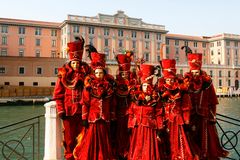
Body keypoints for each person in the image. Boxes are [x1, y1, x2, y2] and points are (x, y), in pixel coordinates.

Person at [184, 53, 229, 159]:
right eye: (193, 72)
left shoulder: (207, 83)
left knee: (204, 141)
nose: (195, 75)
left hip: (204, 117)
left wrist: (213, 116)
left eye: (197, 72)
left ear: (200, 71)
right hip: (189, 117)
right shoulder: (185, 83)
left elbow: (213, 101)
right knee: (190, 141)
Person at [53, 37, 90, 160]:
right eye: (74, 63)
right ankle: (69, 157)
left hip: (83, 112)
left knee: (83, 137)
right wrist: (61, 110)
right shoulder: (63, 76)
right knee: (69, 138)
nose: (76, 65)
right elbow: (58, 95)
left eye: (78, 63)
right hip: (68, 112)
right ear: (70, 63)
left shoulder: (86, 75)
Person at [73, 51, 116, 160]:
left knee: (104, 141)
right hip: (92, 119)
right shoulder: (89, 87)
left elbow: (112, 104)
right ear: (94, 73)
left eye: (101, 73)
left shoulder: (109, 88)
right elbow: (85, 104)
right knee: (90, 141)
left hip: (105, 119)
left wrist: (112, 117)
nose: (98, 75)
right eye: (96, 73)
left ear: (104, 74)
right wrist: (84, 118)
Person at [157, 59, 194, 160]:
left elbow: (186, 107)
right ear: (165, 80)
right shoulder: (160, 91)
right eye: (168, 80)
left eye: (172, 80)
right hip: (165, 120)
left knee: (178, 143)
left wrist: (186, 121)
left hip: (177, 121)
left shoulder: (181, 91)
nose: (170, 82)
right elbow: (158, 108)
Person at [128, 64, 162, 160]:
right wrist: (130, 125)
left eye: (148, 85)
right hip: (137, 128)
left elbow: (159, 114)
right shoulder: (135, 98)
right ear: (141, 86)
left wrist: (159, 129)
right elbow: (131, 113)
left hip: (149, 129)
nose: (146, 88)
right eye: (144, 85)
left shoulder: (155, 99)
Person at [114, 51, 136, 159]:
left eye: (126, 74)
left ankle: (129, 153)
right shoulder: (116, 85)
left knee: (130, 135)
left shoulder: (134, 85)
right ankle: (120, 153)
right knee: (120, 134)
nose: (124, 76)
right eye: (123, 74)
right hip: (119, 114)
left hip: (131, 114)